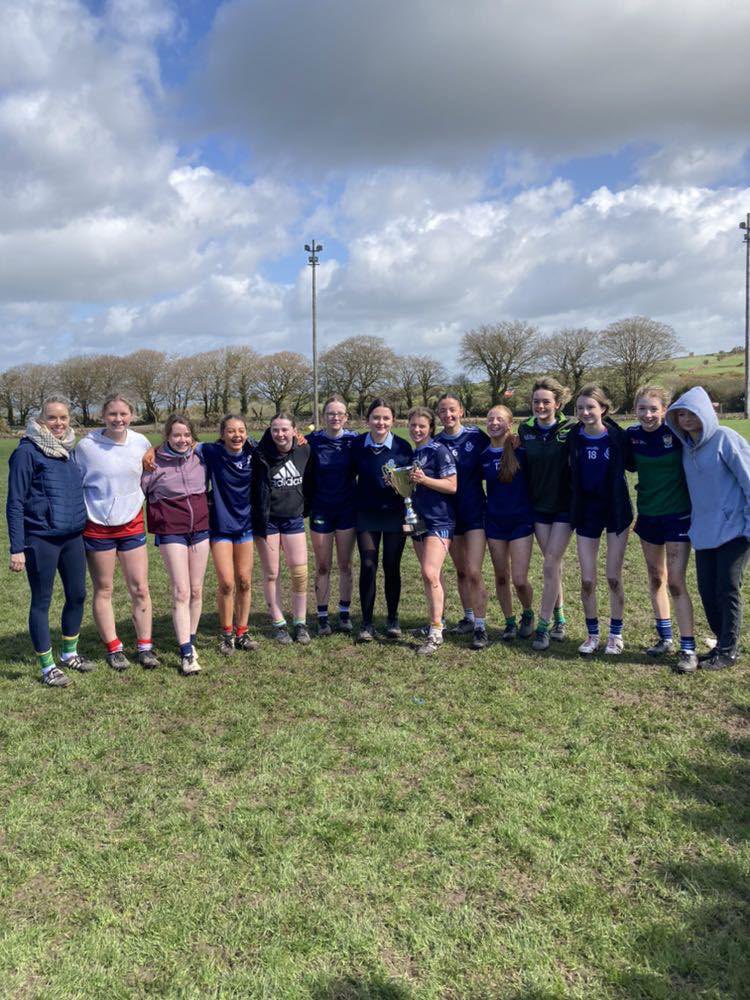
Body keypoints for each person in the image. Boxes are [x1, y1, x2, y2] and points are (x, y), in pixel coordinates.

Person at [6, 395, 90, 687]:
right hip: (41, 538)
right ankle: (47, 666)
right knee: (42, 601)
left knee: (78, 594)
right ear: (41, 420)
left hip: (72, 537)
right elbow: (14, 502)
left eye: (63, 417)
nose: (58, 423)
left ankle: (69, 654)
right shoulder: (27, 453)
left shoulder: (69, 450)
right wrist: (17, 548)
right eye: (52, 418)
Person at [666, 386, 750, 671]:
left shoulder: (725, 438)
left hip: (735, 530)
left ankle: (729, 651)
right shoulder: (686, 448)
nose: (686, 419)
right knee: (706, 589)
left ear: (705, 413)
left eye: (692, 413)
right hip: (704, 532)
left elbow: (748, 480)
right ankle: (720, 642)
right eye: (680, 414)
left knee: (727, 588)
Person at [75, 394, 158, 671]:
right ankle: (113, 648)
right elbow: (75, 482)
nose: (118, 419)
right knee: (105, 588)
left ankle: (145, 647)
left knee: (140, 587)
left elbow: (153, 465)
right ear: (103, 416)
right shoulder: (86, 446)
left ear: (131, 415)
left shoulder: (140, 442)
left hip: (132, 523)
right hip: (97, 526)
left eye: (123, 414)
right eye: (113, 414)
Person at [625, 386, 696, 672]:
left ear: (665, 410)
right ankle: (665, 637)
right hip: (648, 516)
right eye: (642, 408)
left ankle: (688, 649)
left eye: (653, 408)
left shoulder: (678, 434)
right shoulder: (632, 436)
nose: (648, 414)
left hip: (678, 516)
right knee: (656, 578)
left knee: (677, 582)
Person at [141, 413, 209, 675]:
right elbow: (142, 492)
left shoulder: (201, 455)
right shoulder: (153, 463)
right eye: (176, 435)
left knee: (196, 589)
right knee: (181, 591)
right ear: (167, 436)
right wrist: (152, 450)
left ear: (192, 436)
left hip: (200, 527)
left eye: (186, 435)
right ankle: (186, 653)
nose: (182, 439)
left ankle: (190, 639)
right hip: (172, 531)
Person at [568, 386, 633, 656]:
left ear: (603, 409)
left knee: (613, 577)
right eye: (580, 408)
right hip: (586, 512)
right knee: (587, 579)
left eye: (591, 407)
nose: (585, 412)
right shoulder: (573, 437)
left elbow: (634, 464)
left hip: (616, 511)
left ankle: (615, 635)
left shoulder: (617, 437)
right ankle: (592, 634)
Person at [517, 378, 573, 652]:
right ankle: (561, 618)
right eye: (536, 401)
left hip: (564, 508)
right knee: (554, 566)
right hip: (537, 507)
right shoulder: (524, 429)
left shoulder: (570, 429)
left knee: (550, 565)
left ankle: (543, 627)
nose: (540, 406)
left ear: (558, 405)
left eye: (546, 402)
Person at [350, 398, 413, 642]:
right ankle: (366, 622)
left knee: (391, 565)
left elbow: (410, 484)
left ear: (393, 420)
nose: (381, 422)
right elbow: (348, 475)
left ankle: (392, 619)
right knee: (368, 564)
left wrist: (400, 486)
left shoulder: (403, 447)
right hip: (366, 513)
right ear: (368, 420)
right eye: (376, 417)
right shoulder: (357, 445)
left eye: (386, 418)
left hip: (394, 514)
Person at [251, 412, 312, 645]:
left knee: (299, 573)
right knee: (272, 573)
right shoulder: (259, 452)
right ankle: (278, 623)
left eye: (285, 429)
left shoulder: (305, 450)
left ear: (295, 430)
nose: (280, 434)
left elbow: (311, 480)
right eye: (275, 429)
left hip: (294, 519)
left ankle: (300, 622)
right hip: (268, 520)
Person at [200, 415, 259, 655]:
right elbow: (178, 443)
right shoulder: (211, 452)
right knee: (226, 583)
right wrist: (152, 450)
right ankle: (226, 634)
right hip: (220, 527)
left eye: (241, 431)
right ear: (222, 434)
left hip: (245, 526)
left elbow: (282, 445)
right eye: (231, 431)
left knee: (244, 581)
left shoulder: (254, 453)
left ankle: (242, 632)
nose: (237, 435)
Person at [435, 394, 490, 648]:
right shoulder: (435, 443)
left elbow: (499, 449)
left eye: (452, 410)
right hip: (449, 516)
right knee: (460, 570)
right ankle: (468, 617)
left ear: (462, 411)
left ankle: (481, 626)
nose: (448, 415)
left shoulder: (476, 436)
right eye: (443, 411)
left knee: (474, 571)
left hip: (475, 512)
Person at [406, 406, 457, 655]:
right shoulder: (412, 453)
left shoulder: (439, 451)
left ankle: (436, 633)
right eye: (413, 425)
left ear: (430, 429)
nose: (417, 430)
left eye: (422, 426)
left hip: (439, 521)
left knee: (429, 573)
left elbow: (452, 485)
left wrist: (424, 480)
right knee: (431, 576)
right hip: (417, 520)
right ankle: (437, 621)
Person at [482, 406, 535, 643]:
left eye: (500, 419)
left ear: (510, 424)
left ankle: (528, 613)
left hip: (521, 521)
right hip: (494, 523)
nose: (494, 423)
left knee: (520, 579)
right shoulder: (482, 455)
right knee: (501, 576)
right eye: (490, 419)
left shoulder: (520, 450)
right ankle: (510, 622)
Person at [307, 396, 358, 635]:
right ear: (323, 416)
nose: (335, 417)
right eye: (330, 413)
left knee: (345, 564)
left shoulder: (355, 440)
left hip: (347, 510)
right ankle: (323, 615)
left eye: (340, 414)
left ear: (346, 417)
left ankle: (345, 613)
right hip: (321, 510)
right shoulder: (311, 441)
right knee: (323, 565)